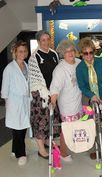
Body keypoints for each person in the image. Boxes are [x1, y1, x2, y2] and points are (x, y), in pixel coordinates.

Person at [28, 30, 61, 159]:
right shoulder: (34, 57)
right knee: (40, 121)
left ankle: (47, 142)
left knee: (50, 120)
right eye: (43, 40)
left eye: (48, 39)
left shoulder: (54, 54)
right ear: (38, 41)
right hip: (40, 95)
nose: (46, 42)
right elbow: (35, 80)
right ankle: (41, 150)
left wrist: (54, 92)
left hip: (53, 94)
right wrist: (46, 94)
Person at [50, 40, 82, 162]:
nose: (70, 53)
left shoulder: (79, 63)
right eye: (67, 51)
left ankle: (72, 145)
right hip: (67, 104)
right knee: (66, 129)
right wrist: (52, 102)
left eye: (72, 50)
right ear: (63, 53)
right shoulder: (60, 69)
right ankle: (63, 153)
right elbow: (55, 87)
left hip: (78, 101)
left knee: (76, 126)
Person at [76, 37, 102, 159]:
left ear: (94, 51)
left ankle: (101, 146)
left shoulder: (101, 61)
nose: (89, 56)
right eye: (85, 53)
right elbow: (81, 86)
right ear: (81, 54)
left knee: (101, 123)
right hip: (87, 99)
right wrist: (91, 95)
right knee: (89, 123)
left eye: (91, 52)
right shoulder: (79, 68)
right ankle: (92, 149)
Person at [1, 41, 30, 166]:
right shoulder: (9, 68)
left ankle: (14, 149)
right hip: (14, 102)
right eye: (20, 51)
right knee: (18, 129)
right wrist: (8, 104)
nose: (22, 54)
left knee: (21, 127)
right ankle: (21, 154)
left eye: (24, 51)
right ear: (15, 52)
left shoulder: (26, 65)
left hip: (25, 101)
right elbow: (5, 88)